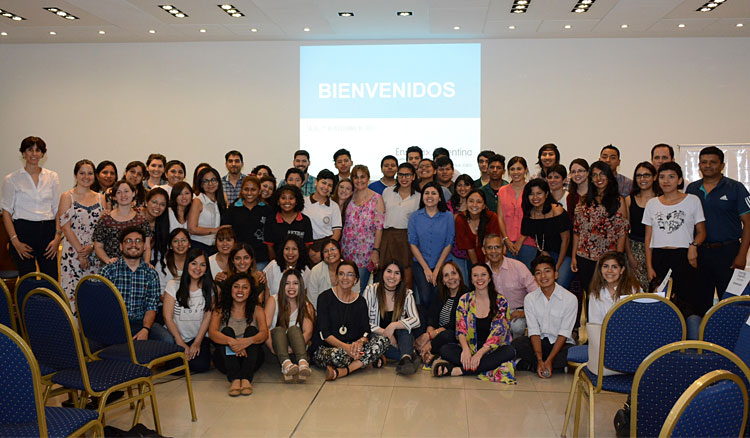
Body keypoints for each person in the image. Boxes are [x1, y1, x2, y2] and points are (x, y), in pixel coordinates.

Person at [686, 146, 750, 309]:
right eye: (704, 162)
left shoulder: (736, 188)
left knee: (731, 304)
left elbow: (748, 223)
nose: (708, 166)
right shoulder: (692, 189)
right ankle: (701, 335)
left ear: (722, 165)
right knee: (700, 304)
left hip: (728, 253)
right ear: (699, 165)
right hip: (700, 253)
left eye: (713, 162)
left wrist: (742, 255)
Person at [432, 264, 515, 382]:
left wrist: (479, 354)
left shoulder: (500, 301)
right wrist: (465, 350)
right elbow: (460, 329)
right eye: (475, 275)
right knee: (445, 349)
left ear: (490, 278)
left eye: (483, 275)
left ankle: (459, 370)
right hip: (471, 347)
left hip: (491, 349)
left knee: (509, 351)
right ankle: (482, 366)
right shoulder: (465, 300)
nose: (479, 278)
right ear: (471, 279)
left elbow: (498, 334)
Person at [644, 162, 706, 321]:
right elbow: (648, 239)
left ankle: (689, 342)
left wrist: (694, 246)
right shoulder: (652, 203)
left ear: (680, 180)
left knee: (686, 303)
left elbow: (701, 232)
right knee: (662, 304)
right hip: (659, 257)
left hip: (683, 257)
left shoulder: (692, 200)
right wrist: (649, 266)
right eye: (662, 177)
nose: (666, 181)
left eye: (671, 177)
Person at [313, 261, 390, 381]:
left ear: (356, 279)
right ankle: (368, 360)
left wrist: (359, 342)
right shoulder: (324, 298)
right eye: (341, 274)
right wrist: (346, 348)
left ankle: (345, 370)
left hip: (353, 348)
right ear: (336, 277)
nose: (345, 278)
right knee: (338, 356)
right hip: (328, 348)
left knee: (383, 340)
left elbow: (366, 332)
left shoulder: (360, 301)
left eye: (350, 274)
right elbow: (325, 334)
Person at [2, 136, 62, 279]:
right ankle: (26, 303)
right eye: (30, 150)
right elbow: (6, 212)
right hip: (23, 232)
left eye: (38, 150)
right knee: (26, 279)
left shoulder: (52, 177)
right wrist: (15, 241)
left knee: (51, 278)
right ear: (23, 153)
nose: (34, 154)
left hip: (47, 231)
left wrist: (57, 237)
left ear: (42, 154)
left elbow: (57, 209)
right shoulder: (11, 179)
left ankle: (50, 303)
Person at [100, 226, 173, 343]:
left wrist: (145, 329)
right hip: (114, 323)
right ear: (121, 246)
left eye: (138, 241)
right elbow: (102, 305)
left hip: (141, 322)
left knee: (167, 340)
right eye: (128, 241)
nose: (133, 244)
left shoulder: (151, 273)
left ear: (144, 247)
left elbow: (151, 306)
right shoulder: (108, 271)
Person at [512, 255, 577, 378]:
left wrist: (550, 359)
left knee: (572, 353)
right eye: (538, 273)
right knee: (517, 344)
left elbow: (564, 333)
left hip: (561, 343)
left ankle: (531, 365)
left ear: (556, 274)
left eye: (547, 271)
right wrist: (540, 359)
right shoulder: (530, 298)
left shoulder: (570, 299)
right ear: (535, 278)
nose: (543, 276)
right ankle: (543, 364)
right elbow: (534, 331)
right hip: (539, 343)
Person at [571, 161, 629, 297]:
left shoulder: (618, 200)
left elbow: (622, 232)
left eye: (602, 174)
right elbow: (577, 231)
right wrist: (574, 256)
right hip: (584, 256)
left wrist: (618, 258)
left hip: (608, 258)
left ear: (609, 176)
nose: (599, 178)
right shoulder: (584, 201)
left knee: (608, 295)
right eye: (595, 175)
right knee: (591, 295)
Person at [209, 272, 267, 396]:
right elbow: (212, 333)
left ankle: (246, 378)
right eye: (236, 286)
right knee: (226, 332)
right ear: (230, 289)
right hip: (226, 360)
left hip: (250, 358)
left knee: (252, 331)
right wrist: (234, 343)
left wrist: (247, 341)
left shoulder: (257, 310)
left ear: (250, 291)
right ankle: (235, 378)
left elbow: (263, 334)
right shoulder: (220, 309)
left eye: (245, 287)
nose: (240, 290)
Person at [58, 159, 106, 307]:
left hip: (95, 252)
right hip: (73, 253)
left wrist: (92, 247)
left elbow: (103, 227)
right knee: (72, 296)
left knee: (94, 297)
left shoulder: (101, 198)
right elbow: (65, 227)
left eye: (90, 173)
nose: (86, 177)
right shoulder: (67, 197)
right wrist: (81, 253)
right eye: (82, 173)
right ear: (75, 175)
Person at [363, 260, 421, 374]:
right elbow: (364, 321)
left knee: (405, 330)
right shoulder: (371, 290)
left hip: (399, 338)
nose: (392, 276)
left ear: (401, 277)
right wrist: (386, 332)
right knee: (376, 340)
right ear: (383, 273)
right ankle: (407, 358)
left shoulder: (407, 293)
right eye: (389, 271)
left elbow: (416, 320)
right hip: (377, 335)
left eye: (397, 273)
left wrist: (393, 325)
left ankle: (405, 358)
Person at [163, 248, 214, 373]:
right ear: (187, 265)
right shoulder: (173, 284)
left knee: (201, 366)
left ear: (206, 268)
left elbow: (208, 317)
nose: (198, 268)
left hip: (198, 337)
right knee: (177, 369)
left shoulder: (210, 288)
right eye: (194, 263)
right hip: (177, 337)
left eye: (202, 265)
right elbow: (167, 317)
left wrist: (197, 343)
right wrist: (180, 341)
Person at [408, 182, 455, 311]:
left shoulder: (448, 216)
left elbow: (448, 243)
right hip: (421, 264)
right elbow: (413, 244)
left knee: (440, 296)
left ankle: (437, 327)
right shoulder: (415, 217)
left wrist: (437, 268)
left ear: (440, 197)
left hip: (443, 263)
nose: (430, 196)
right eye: (426, 193)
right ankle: (425, 327)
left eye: (434, 193)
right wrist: (427, 269)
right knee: (425, 297)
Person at [519, 179, 573, 288]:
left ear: (546, 194)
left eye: (539, 193)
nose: (535, 197)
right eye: (531, 194)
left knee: (559, 284)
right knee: (538, 285)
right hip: (546, 254)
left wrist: (556, 267)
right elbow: (537, 238)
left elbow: (566, 240)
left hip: (565, 254)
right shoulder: (530, 214)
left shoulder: (557, 211)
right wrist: (543, 252)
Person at [265, 269, 315, 382]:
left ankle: (303, 364)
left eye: (295, 283)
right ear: (282, 285)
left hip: (297, 351)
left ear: (301, 286)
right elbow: (265, 328)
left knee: (294, 329)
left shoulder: (306, 305)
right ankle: (286, 365)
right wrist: (273, 349)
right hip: (276, 352)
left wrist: (292, 349)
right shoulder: (273, 300)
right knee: (278, 330)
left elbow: (308, 332)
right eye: (287, 283)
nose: (291, 287)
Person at [483, 234, 537, 339]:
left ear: (504, 249)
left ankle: (516, 347)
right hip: (492, 312)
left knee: (517, 326)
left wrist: (524, 313)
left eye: (497, 247)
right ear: (484, 250)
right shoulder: (482, 271)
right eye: (490, 248)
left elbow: (536, 293)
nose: (493, 251)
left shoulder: (518, 267)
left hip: (516, 312)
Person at [341, 165, 385, 290]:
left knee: (359, 289)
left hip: (365, 254)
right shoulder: (349, 196)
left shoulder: (377, 199)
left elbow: (379, 228)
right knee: (346, 287)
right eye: (356, 177)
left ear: (368, 178)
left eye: (362, 177)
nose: (359, 180)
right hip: (346, 251)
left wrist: (375, 251)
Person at [414, 261, 468, 364]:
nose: (451, 278)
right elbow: (432, 316)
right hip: (435, 333)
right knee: (418, 309)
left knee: (447, 335)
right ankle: (426, 350)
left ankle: (425, 350)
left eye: (453, 273)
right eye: (446, 275)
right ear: (443, 281)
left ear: (460, 276)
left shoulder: (466, 295)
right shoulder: (440, 293)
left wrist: (430, 336)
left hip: (452, 333)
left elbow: (455, 324)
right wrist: (428, 335)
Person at [380, 163, 420, 289]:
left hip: (406, 238)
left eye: (407, 175)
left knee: (406, 275)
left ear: (413, 177)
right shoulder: (387, 192)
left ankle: (405, 305)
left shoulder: (419, 197)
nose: (404, 178)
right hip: (387, 237)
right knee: (386, 273)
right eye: (401, 175)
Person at [93, 180, 152, 265]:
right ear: (114, 197)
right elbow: (98, 246)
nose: (123, 195)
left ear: (134, 193)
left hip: (136, 269)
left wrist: (146, 265)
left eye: (126, 191)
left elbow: (147, 247)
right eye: (119, 192)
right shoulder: (105, 220)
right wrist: (108, 261)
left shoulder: (142, 220)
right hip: (111, 270)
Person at [224, 175, 272, 269]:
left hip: (261, 259)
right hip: (238, 259)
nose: (249, 193)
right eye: (246, 189)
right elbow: (227, 232)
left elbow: (271, 235)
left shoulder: (267, 210)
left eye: (253, 189)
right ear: (241, 190)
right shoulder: (233, 209)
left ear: (259, 191)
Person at [625, 162, 658, 291]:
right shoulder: (629, 200)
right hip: (635, 249)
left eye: (646, 175)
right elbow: (625, 231)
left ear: (654, 177)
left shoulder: (661, 199)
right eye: (638, 176)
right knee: (637, 290)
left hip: (657, 249)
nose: (642, 179)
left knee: (656, 288)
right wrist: (630, 256)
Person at [497, 156, 534, 264]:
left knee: (526, 277)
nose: (515, 172)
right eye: (512, 169)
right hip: (507, 243)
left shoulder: (532, 190)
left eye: (519, 169)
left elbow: (533, 216)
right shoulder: (503, 190)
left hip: (528, 242)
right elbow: (500, 217)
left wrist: (520, 241)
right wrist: (506, 239)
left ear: (525, 170)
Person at [587, 251, 641, 325]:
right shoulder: (595, 294)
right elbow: (595, 324)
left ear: (622, 270)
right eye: (605, 266)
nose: (609, 271)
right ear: (600, 269)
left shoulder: (634, 290)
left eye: (614, 267)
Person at [263, 184, 313, 260]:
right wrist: (275, 265)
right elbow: (269, 246)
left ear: (296, 201)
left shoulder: (305, 220)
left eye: (291, 198)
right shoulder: (271, 220)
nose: (287, 201)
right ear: (278, 201)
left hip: (299, 264)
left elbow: (307, 246)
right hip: (277, 264)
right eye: (283, 198)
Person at [307, 238, 359, 309]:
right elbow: (312, 300)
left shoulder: (350, 268)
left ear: (340, 250)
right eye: (326, 251)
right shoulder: (316, 271)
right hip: (321, 313)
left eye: (333, 249)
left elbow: (355, 294)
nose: (330, 253)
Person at [303, 169, 342, 262]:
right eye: (323, 183)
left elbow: (337, 233)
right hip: (306, 246)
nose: (326, 187)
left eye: (330, 185)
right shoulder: (303, 202)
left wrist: (323, 252)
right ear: (316, 182)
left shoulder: (334, 206)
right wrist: (309, 251)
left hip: (327, 247)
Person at [188, 166, 228, 255]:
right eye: (206, 181)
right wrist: (216, 230)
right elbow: (192, 229)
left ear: (218, 182)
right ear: (201, 184)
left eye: (213, 180)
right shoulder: (198, 201)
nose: (210, 184)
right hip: (199, 246)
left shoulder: (221, 200)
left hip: (215, 247)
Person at [455, 189, 501, 265]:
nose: (474, 205)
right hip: (469, 260)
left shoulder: (492, 217)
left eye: (479, 202)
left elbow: (491, 244)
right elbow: (469, 248)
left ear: (484, 206)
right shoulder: (460, 219)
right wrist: (477, 268)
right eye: (471, 201)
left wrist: (487, 267)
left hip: (492, 258)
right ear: (466, 203)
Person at [157, 228, 190, 293]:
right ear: (170, 246)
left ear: (189, 244)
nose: (180, 244)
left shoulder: (195, 262)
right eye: (175, 241)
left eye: (183, 240)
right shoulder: (162, 264)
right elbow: (158, 290)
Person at [142, 187, 170, 266]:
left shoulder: (162, 223)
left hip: (147, 261)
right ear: (146, 202)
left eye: (162, 204)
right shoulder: (135, 216)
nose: (157, 207)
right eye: (154, 202)